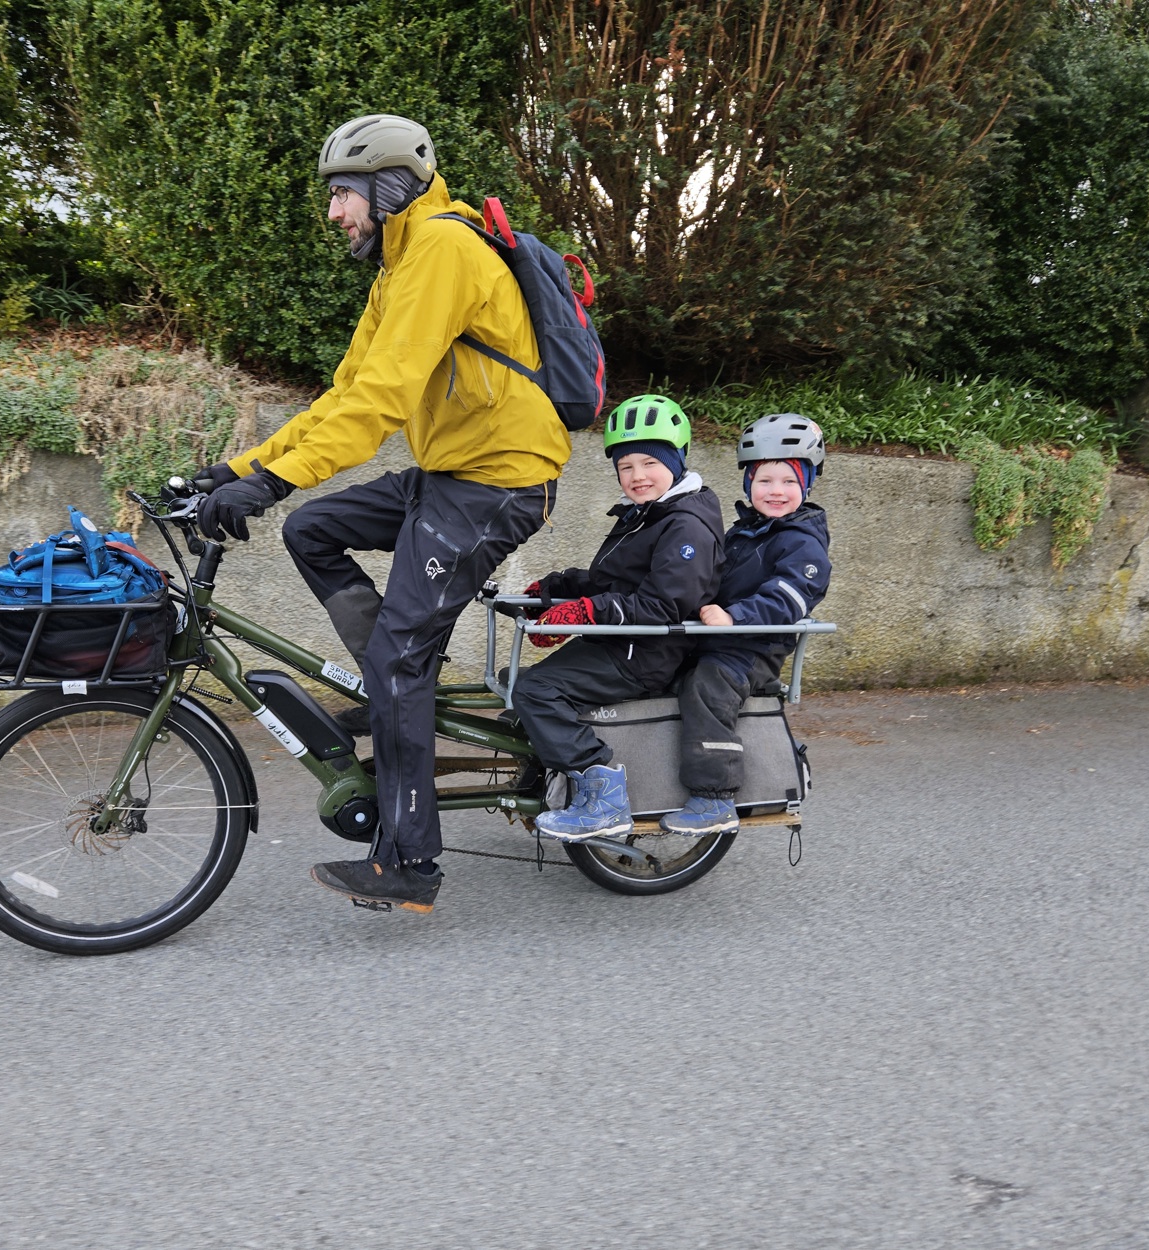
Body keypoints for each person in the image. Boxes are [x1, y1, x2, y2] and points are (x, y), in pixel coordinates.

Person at [191, 114, 570, 914]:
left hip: (499, 479)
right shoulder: (399, 268)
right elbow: (344, 396)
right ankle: (397, 684)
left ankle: (410, 861)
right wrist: (241, 468)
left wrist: (272, 480)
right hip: (452, 472)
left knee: (401, 655)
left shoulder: (440, 249)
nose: (335, 213)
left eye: (345, 194)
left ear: (391, 187)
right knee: (313, 531)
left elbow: (382, 402)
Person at [509, 395, 724, 841]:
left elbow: (663, 605)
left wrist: (586, 611)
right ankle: (551, 773)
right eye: (626, 467)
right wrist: (556, 589)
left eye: (650, 462)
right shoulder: (649, 515)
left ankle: (604, 796)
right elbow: (613, 580)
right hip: (622, 641)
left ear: (677, 461)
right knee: (519, 684)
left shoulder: (686, 525)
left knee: (536, 689)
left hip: (646, 653)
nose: (637, 476)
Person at [660, 413, 831, 835]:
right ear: (748, 485)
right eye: (765, 481)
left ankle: (713, 798)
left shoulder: (802, 541)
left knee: (708, 686)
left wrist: (735, 615)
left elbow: (788, 599)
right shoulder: (742, 532)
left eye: (790, 481)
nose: (776, 491)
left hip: (752, 649)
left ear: (806, 486)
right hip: (715, 639)